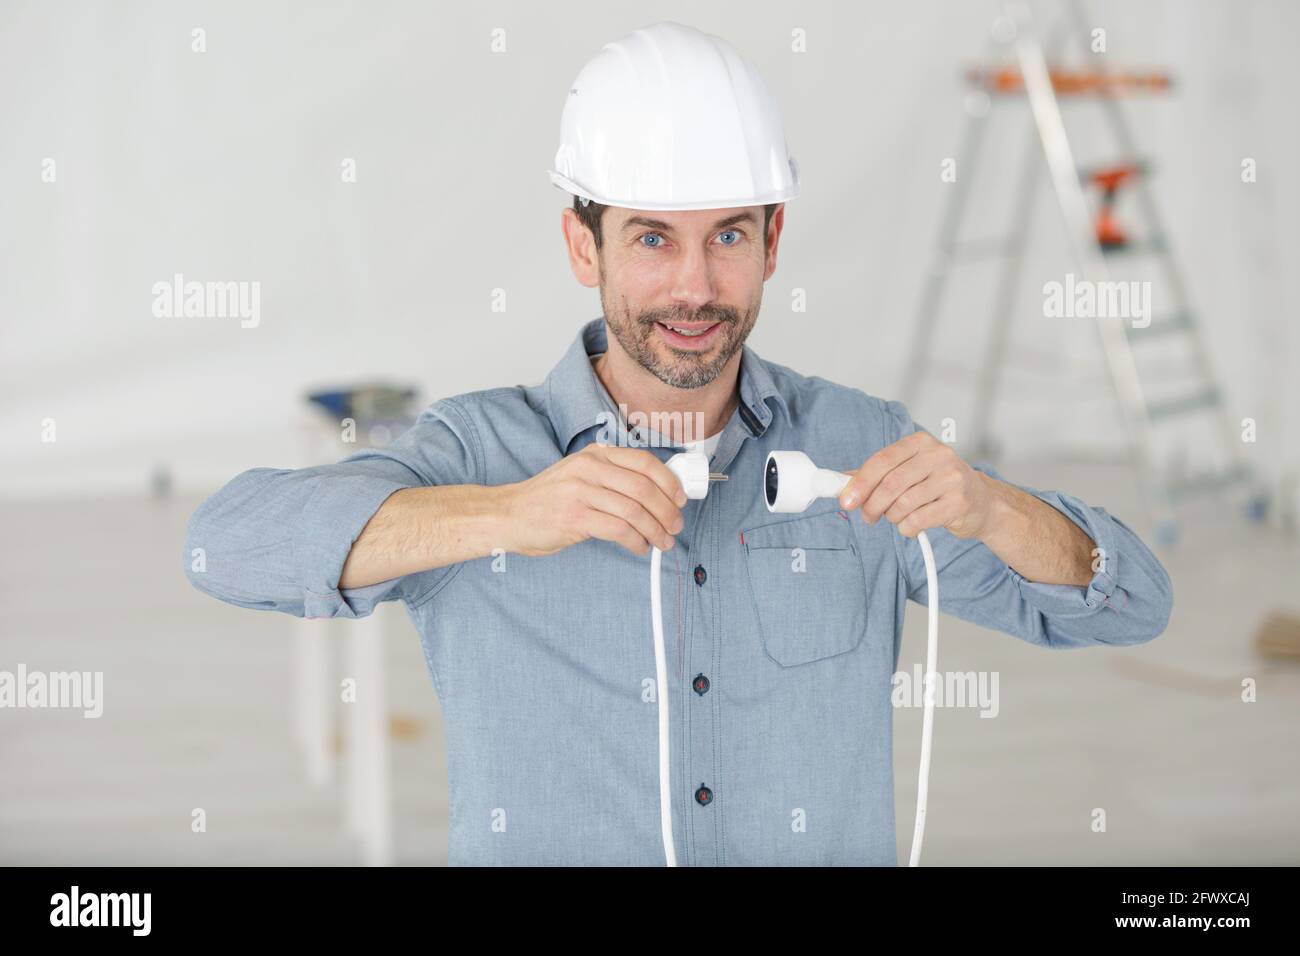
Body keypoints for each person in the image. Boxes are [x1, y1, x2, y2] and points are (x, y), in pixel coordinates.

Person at [184, 20, 1173, 866]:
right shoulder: (481, 450)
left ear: (772, 241)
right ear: (585, 247)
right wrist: (510, 512)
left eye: (728, 236)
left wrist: (996, 509)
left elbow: (1129, 605)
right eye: (653, 238)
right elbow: (223, 545)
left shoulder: (858, 446)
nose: (695, 287)